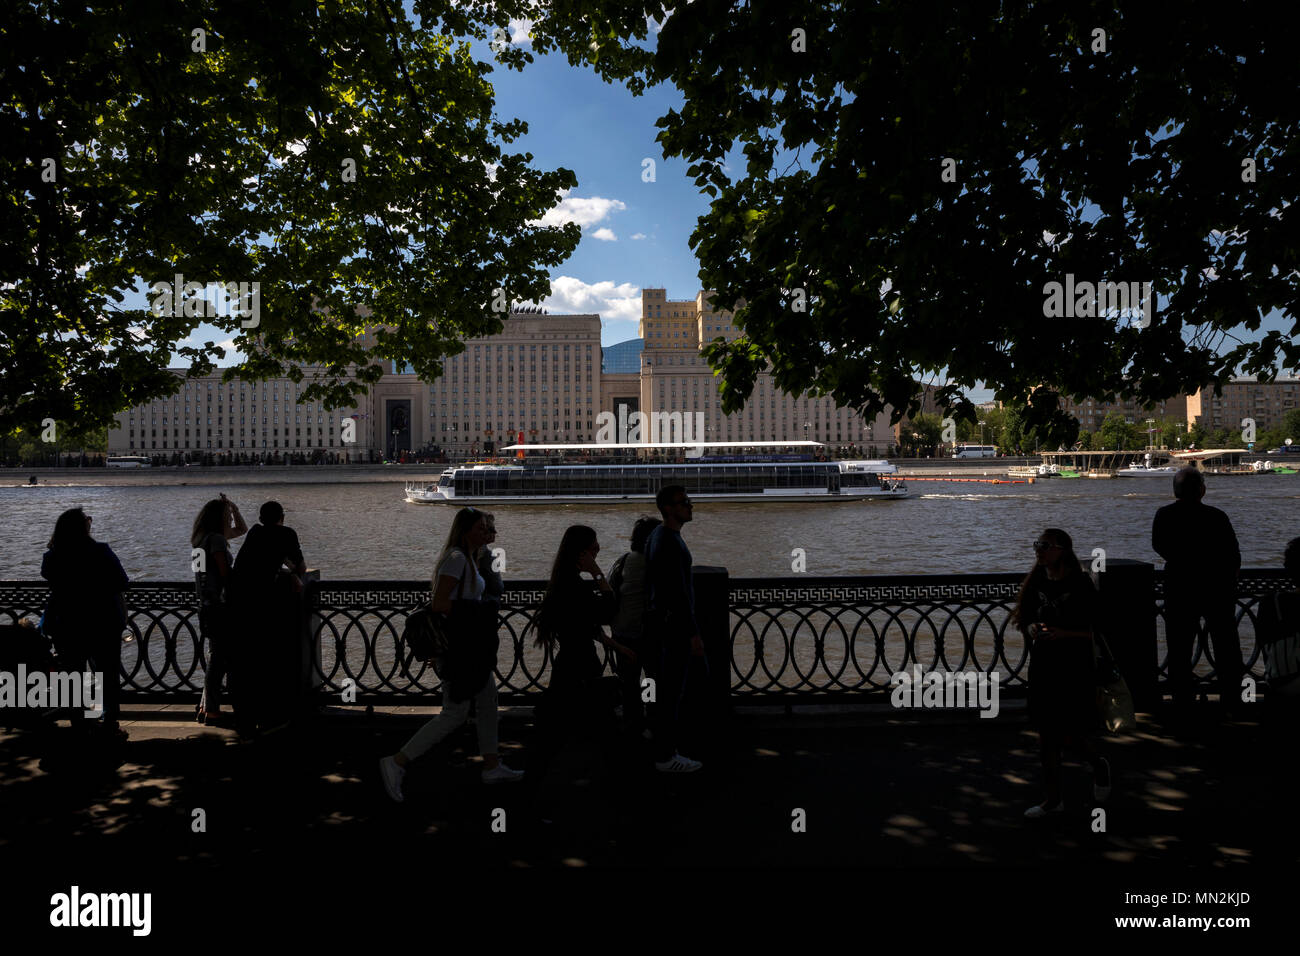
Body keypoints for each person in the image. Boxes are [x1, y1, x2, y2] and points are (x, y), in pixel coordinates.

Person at [379, 507, 522, 802]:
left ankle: (492, 766)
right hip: (462, 648)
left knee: (488, 704)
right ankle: (396, 762)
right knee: (454, 713)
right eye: (482, 528)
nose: (487, 533)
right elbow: (440, 603)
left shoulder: (468, 558)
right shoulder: (457, 559)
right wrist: (481, 611)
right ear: (466, 530)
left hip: (469, 645)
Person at [523, 525, 633, 800]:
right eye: (593, 548)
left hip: (570, 666)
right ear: (581, 552)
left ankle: (533, 794)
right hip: (581, 669)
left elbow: (585, 626)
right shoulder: (575, 585)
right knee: (594, 734)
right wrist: (597, 573)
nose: (598, 550)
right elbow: (608, 611)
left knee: (560, 736)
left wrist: (617, 646)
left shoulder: (563, 583)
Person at [1012, 528, 1111, 819]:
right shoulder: (1037, 580)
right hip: (1043, 667)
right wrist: (1031, 628)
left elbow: (1096, 630)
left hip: (1074, 668)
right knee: (1045, 736)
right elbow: (1025, 617)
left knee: (1068, 733)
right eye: (1037, 545)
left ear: (1063, 550)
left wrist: (1063, 633)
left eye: (1045, 546)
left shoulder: (1081, 584)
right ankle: (1054, 800)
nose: (1039, 551)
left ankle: (1098, 762)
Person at [1152, 467, 1244, 714]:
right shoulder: (1217, 516)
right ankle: (1231, 699)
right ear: (1202, 491)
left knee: (1180, 649)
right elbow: (1233, 555)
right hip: (1217, 590)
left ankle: (1182, 701)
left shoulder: (1164, 515)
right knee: (1226, 647)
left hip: (1179, 589)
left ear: (1175, 491)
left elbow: (1159, 545)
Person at [40, 508, 130, 740]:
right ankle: (109, 723)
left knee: (72, 675)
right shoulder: (100, 551)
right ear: (83, 527)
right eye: (88, 520)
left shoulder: (52, 557)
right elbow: (122, 581)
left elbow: (55, 587)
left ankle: (79, 724)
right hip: (103, 622)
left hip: (68, 623)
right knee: (107, 675)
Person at [230, 501, 307, 735]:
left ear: (261, 518)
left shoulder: (255, 532)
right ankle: (271, 718)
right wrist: (291, 573)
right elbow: (301, 567)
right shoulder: (286, 533)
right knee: (271, 660)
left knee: (247, 664)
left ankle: (245, 720)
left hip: (239, 604)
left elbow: (257, 561)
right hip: (264, 606)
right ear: (282, 517)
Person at [645, 485, 705, 773]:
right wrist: (692, 632)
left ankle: (663, 746)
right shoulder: (668, 541)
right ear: (669, 509)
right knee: (671, 693)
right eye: (684, 503)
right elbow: (677, 592)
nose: (690, 506)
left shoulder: (658, 536)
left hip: (661, 626)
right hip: (674, 629)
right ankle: (666, 756)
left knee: (665, 692)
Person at [190, 494, 248, 723]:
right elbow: (225, 574)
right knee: (220, 661)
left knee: (216, 657)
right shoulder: (216, 540)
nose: (229, 520)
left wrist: (233, 508)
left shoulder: (199, 539)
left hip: (204, 604)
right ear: (219, 518)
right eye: (226, 516)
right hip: (220, 606)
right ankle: (213, 709)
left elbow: (241, 529)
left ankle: (206, 707)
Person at [610, 516, 662, 739]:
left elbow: (612, 591)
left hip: (622, 633)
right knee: (651, 678)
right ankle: (652, 718)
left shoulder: (624, 560)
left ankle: (633, 721)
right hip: (649, 633)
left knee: (629, 681)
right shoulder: (659, 564)